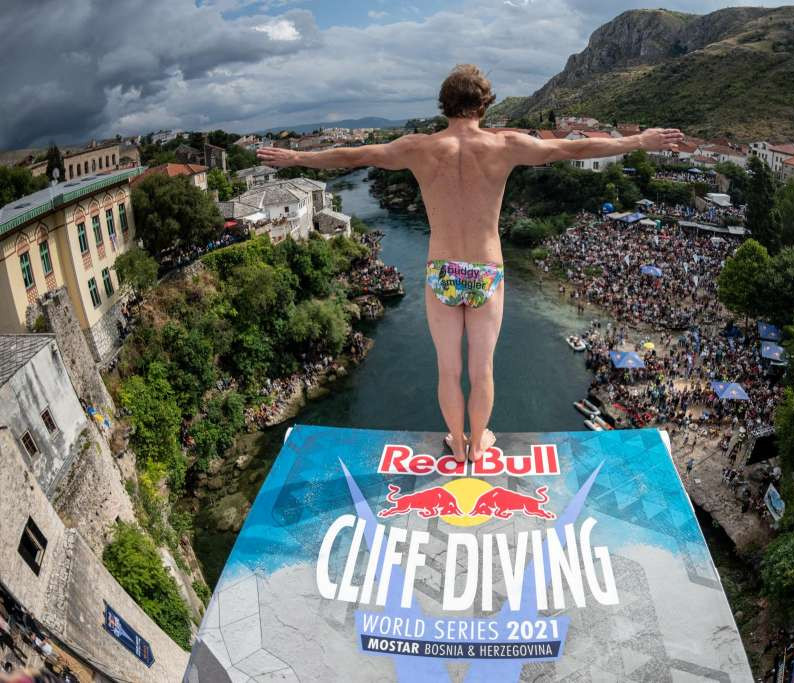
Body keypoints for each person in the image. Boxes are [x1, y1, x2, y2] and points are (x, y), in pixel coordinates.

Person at [259, 63, 683, 462]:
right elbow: (574, 147)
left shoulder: (419, 148)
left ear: (444, 105)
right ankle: (479, 445)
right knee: (482, 369)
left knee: (449, 368)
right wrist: (637, 141)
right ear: (485, 104)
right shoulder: (504, 145)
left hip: (441, 271)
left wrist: (298, 158)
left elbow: (354, 156)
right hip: (486, 270)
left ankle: (457, 446)